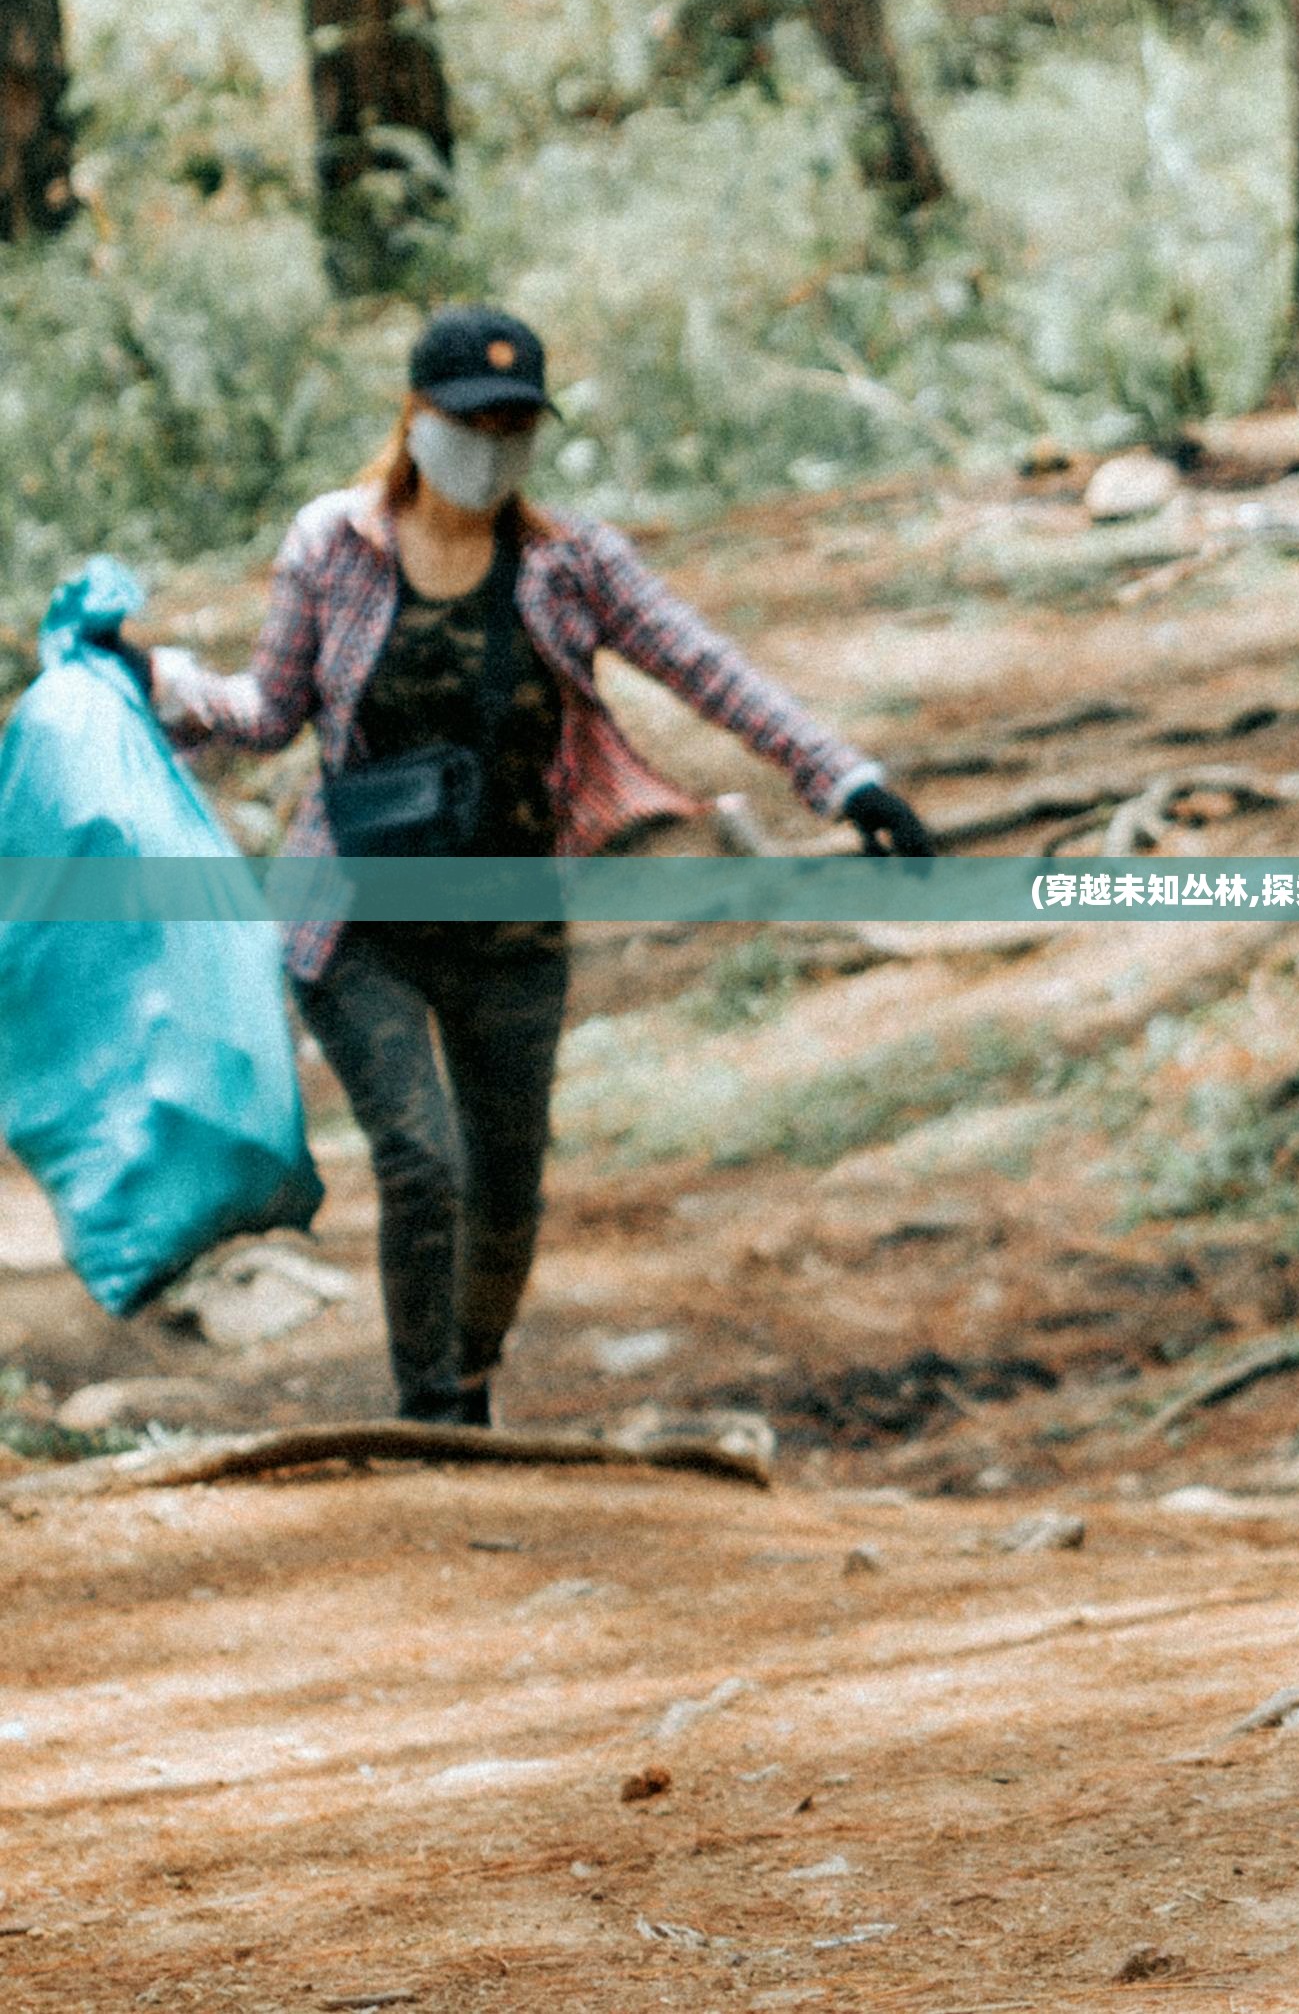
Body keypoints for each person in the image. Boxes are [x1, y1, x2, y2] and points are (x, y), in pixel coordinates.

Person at [148, 304, 938, 1427]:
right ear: (416, 417)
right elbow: (269, 712)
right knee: (425, 1164)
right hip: (356, 922)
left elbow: (707, 668)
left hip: (512, 928)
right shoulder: (334, 543)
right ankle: (431, 1417)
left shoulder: (574, 564)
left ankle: (467, 1380)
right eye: (472, 418)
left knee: (506, 1192)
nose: (492, 442)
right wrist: (164, 694)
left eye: (517, 421)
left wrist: (845, 779)